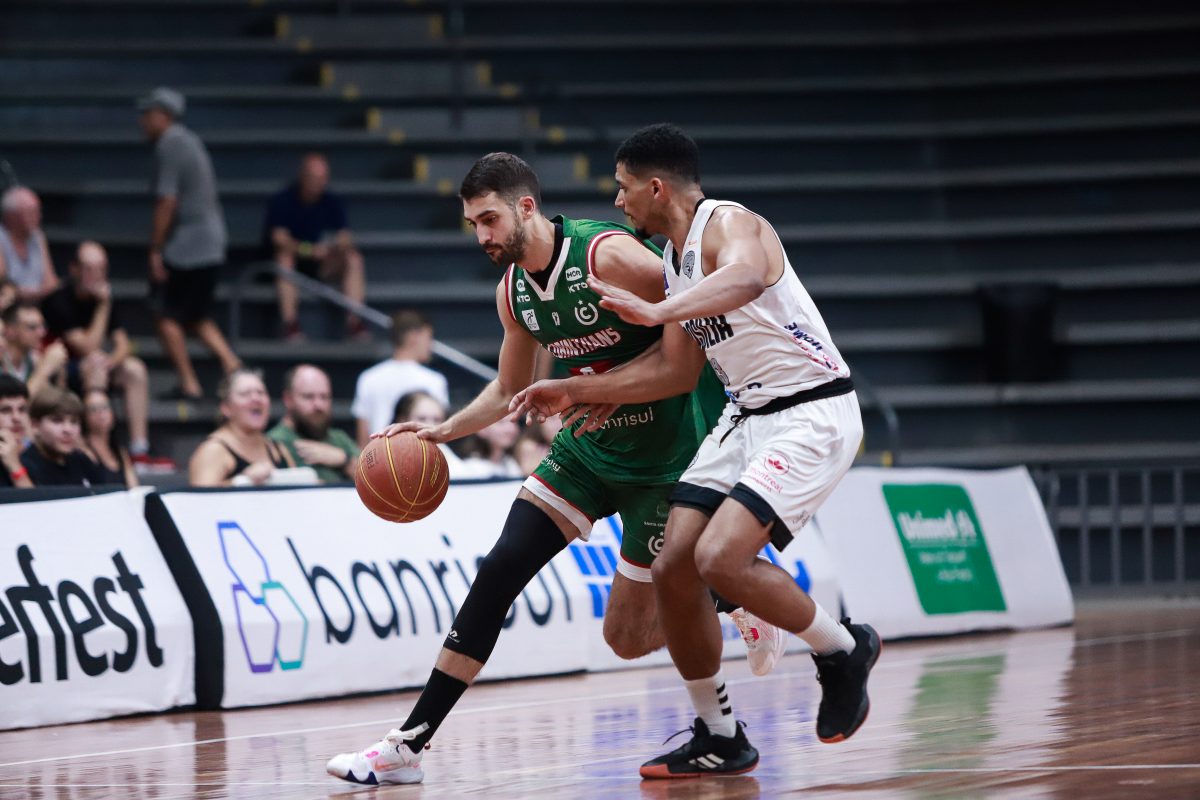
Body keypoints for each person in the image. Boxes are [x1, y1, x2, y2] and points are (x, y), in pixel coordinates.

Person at [326, 152, 780, 787]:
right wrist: (441, 431)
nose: (482, 236)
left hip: (665, 459)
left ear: (526, 207)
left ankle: (729, 594)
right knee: (498, 571)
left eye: (489, 219)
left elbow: (689, 351)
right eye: (473, 224)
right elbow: (507, 387)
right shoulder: (513, 291)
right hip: (587, 452)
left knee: (626, 638)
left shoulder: (611, 257)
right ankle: (407, 747)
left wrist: (595, 388)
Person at [512, 124, 881, 778]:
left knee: (719, 559)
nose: (618, 201)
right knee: (673, 569)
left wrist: (660, 312)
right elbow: (676, 373)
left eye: (624, 188)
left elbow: (744, 278)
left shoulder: (730, 223)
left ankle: (841, 649)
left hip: (809, 409)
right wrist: (576, 390)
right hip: (746, 414)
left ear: (657, 188)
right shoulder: (673, 260)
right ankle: (720, 734)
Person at [138, 86, 241, 400]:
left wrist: (156, 249)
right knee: (195, 315)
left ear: (163, 115)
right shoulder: (189, 140)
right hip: (210, 243)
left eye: (148, 114)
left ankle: (189, 384)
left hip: (188, 247)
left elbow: (166, 201)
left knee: (165, 313)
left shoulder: (171, 144)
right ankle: (234, 367)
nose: (143, 121)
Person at [41, 241, 168, 471]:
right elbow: (87, 346)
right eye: (89, 268)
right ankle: (97, 445)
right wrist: (103, 307)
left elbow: (123, 345)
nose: (96, 275)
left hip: (96, 365)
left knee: (134, 369)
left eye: (101, 269)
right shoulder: (59, 300)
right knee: (94, 364)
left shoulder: (104, 298)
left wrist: (110, 361)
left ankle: (139, 451)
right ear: (74, 269)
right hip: (60, 371)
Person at [264, 153, 368, 340]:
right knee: (284, 258)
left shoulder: (332, 202)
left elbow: (345, 237)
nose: (318, 183)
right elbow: (279, 239)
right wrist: (309, 250)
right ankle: (291, 325)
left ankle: (355, 322)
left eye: (323, 178)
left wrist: (336, 247)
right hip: (295, 265)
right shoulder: (283, 200)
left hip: (323, 265)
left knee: (354, 258)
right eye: (314, 178)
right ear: (302, 176)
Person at [351, 309, 448, 446]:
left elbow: (362, 441)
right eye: (429, 338)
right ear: (414, 336)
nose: (431, 345)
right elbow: (439, 434)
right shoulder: (435, 381)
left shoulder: (368, 378)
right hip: (420, 455)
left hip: (380, 455)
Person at [188, 368, 295, 487]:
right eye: (245, 394)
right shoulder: (213, 450)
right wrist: (243, 480)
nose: (256, 398)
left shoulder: (278, 449)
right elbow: (200, 496)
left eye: (261, 393)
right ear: (226, 408)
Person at [268, 363, 357, 484]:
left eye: (324, 397)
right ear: (288, 399)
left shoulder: (340, 439)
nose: (318, 405)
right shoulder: (274, 443)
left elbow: (373, 478)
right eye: (308, 397)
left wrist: (344, 460)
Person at [20, 386, 112, 487]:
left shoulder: (81, 460)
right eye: (57, 420)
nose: (68, 430)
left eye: (74, 421)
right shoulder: (25, 465)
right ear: (35, 425)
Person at [0, 187, 59, 303]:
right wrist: (18, 293)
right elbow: (2, 282)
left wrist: (37, 293)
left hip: (38, 303)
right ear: (11, 216)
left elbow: (51, 282)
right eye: (31, 212)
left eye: (38, 211)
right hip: (10, 306)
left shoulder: (38, 237)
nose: (38, 217)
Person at [2, 302, 68, 397]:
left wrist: (60, 373)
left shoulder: (34, 360)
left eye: (43, 325)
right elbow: (19, 402)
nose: (42, 333)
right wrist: (45, 368)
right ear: (10, 331)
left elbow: (55, 400)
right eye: (32, 327)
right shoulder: (2, 360)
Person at [79, 388, 137, 488]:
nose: (100, 413)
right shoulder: (82, 451)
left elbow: (134, 488)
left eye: (105, 407)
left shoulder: (121, 452)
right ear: (84, 416)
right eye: (93, 409)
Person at [457, 416, 523, 478]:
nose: (511, 429)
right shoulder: (469, 468)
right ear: (481, 429)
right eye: (501, 422)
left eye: (514, 422)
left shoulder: (511, 464)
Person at [0, 374, 34, 488]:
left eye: (22, 410)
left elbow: (38, 499)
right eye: (5, 410)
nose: (17, 418)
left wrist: (14, 465)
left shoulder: (37, 455)